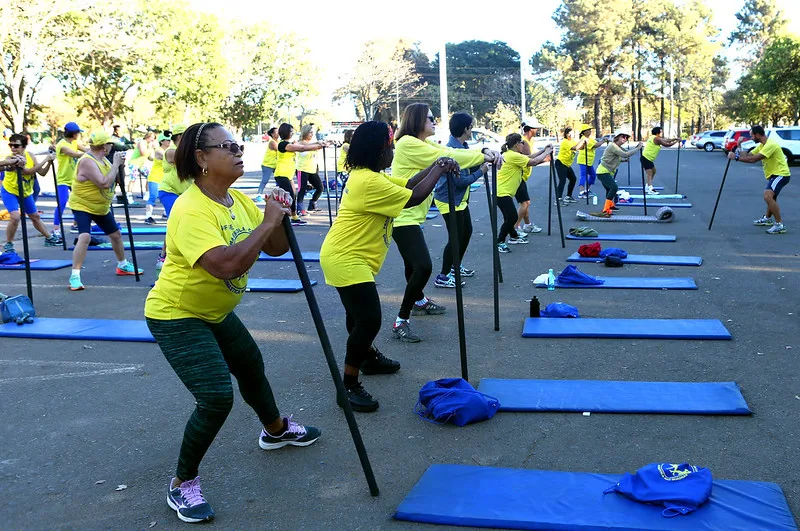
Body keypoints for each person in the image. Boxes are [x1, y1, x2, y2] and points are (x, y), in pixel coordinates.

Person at [145, 122, 320, 523]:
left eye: (239, 144)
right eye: (227, 146)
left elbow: (274, 248)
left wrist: (279, 214)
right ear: (201, 158)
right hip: (177, 314)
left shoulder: (237, 200)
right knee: (215, 397)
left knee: (250, 365)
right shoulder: (190, 209)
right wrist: (266, 222)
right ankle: (181, 484)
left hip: (216, 311)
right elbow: (227, 264)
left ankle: (275, 430)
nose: (239, 151)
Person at [320, 122, 455, 412]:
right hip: (346, 257)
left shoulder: (369, 176)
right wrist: (440, 168)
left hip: (351, 256)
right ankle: (348, 385)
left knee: (358, 317)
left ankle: (367, 358)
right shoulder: (369, 182)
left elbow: (409, 185)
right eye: (389, 146)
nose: (392, 151)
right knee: (368, 320)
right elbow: (416, 197)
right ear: (378, 150)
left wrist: (435, 165)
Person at [390, 103, 500, 343]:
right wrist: (484, 155)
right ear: (418, 121)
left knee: (413, 265)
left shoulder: (422, 143)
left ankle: (418, 300)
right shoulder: (408, 143)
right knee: (423, 267)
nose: (434, 122)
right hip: (402, 216)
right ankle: (401, 319)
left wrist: (482, 149)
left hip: (411, 215)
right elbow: (446, 156)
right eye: (430, 118)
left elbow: (452, 152)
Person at [67, 130, 142, 290]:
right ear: (104, 146)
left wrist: (120, 166)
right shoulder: (88, 161)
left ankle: (122, 265)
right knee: (85, 236)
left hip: (100, 207)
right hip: (83, 205)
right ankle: (75, 275)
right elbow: (104, 183)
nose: (111, 147)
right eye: (109, 144)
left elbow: (115, 179)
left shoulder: (104, 161)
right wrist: (115, 164)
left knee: (115, 235)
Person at [433, 112, 486, 288]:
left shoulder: (463, 147)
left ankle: (456, 265)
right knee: (455, 237)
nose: (472, 131)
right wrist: (481, 171)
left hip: (460, 199)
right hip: (448, 198)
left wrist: (486, 158)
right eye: (471, 127)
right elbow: (460, 181)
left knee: (466, 232)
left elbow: (472, 163)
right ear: (465, 129)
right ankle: (443, 275)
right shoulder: (452, 150)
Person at [2, 134, 60, 253]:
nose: (13, 148)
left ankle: (49, 238)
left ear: (23, 147)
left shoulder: (30, 156)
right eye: (11, 145)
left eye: (16, 146)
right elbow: (28, 171)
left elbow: (42, 172)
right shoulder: (10, 158)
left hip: (26, 191)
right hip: (10, 191)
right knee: (15, 217)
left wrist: (49, 162)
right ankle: (9, 244)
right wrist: (45, 159)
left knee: (35, 216)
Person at [496, 134, 552, 253]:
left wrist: (543, 150)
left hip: (503, 192)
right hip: (502, 193)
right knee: (512, 217)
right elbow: (533, 161)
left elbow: (529, 157)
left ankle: (514, 236)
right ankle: (499, 241)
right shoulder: (512, 155)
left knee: (509, 217)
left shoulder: (511, 154)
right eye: (522, 143)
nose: (523, 145)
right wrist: (547, 151)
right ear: (516, 144)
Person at [729, 125, 790, 234]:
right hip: (774, 175)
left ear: (757, 135)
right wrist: (739, 145)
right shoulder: (762, 145)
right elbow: (748, 155)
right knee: (771, 197)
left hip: (781, 174)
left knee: (768, 195)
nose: (751, 138)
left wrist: (736, 158)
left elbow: (753, 159)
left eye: (752, 135)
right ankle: (767, 219)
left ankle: (779, 224)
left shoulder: (770, 144)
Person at [273, 123, 327, 225]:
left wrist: (320, 143)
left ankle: (292, 217)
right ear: (286, 132)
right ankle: (290, 218)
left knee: (293, 195)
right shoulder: (283, 145)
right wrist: (319, 146)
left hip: (288, 175)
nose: (293, 132)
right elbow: (302, 148)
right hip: (282, 174)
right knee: (290, 197)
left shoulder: (289, 143)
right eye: (291, 131)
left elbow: (304, 145)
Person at [156, 124, 189, 270]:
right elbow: (186, 161)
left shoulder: (188, 151)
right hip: (169, 191)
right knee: (175, 221)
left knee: (184, 221)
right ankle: (164, 255)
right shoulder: (171, 151)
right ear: (179, 137)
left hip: (184, 193)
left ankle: (180, 250)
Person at [53, 122, 88, 238]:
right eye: (78, 133)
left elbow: (86, 150)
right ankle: (56, 228)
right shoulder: (62, 145)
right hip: (63, 179)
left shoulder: (74, 142)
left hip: (74, 178)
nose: (79, 135)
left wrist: (98, 150)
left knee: (79, 202)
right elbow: (76, 154)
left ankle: (75, 224)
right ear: (73, 134)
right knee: (62, 202)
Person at [596, 131, 643, 215]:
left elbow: (618, 157)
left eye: (626, 138)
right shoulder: (613, 146)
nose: (625, 139)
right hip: (602, 171)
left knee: (609, 189)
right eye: (623, 136)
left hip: (607, 171)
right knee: (614, 187)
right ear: (617, 137)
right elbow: (625, 154)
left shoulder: (617, 146)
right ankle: (606, 209)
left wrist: (624, 160)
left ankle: (610, 205)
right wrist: (638, 148)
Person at [515, 122, 542, 234]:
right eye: (536, 128)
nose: (537, 130)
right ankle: (515, 227)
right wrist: (545, 157)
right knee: (525, 203)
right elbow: (529, 161)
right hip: (517, 176)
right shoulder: (524, 142)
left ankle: (527, 224)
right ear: (531, 129)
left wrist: (544, 152)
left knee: (525, 202)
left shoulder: (529, 141)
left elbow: (531, 156)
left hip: (522, 176)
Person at [295, 124, 327, 215]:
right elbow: (310, 146)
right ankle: (300, 209)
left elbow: (317, 145)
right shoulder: (300, 143)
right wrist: (320, 144)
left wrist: (327, 142)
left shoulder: (313, 142)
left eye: (313, 132)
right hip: (302, 169)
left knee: (320, 188)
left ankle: (312, 204)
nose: (312, 134)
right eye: (310, 132)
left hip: (312, 169)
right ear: (305, 132)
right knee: (302, 189)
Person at [641, 126, 680, 194]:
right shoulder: (656, 139)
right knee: (649, 172)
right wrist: (676, 141)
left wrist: (675, 138)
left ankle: (647, 186)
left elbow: (666, 140)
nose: (662, 133)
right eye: (661, 131)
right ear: (657, 132)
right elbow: (667, 145)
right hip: (646, 157)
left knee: (654, 171)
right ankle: (650, 188)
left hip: (648, 158)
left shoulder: (655, 137)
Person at [575, 124, 608, 198]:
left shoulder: (590, 138)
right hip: (583, 160)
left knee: (593, 175)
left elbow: (596, 142)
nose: (590, 131)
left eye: (590, 130)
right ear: (583, 132)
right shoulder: (585, 139)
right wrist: (603, 141)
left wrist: (602, 140)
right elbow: (595, 145)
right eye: (588, 130)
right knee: (583, 175)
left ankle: (587, 190)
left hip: (589, 161)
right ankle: (581, 192)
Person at [144, 134, 171, 224]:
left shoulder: (168, 150)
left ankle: (165, 213)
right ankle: (148, 216)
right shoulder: (159, 151)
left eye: (170, 140)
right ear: (162, 141)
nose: (169, 141)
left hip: (163, 178)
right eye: (167, 140)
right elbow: (169, 158)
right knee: (153, 197)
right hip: (155, 177)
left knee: (166, 196)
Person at [554, 127, 579, 204]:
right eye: (569, 133)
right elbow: (575, 148)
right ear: (566, 134)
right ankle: (558, 199)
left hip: (567, 164)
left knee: (573, 179)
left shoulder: (572, 141)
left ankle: (568, 196)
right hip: (561, 163)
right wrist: (582, 141)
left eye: (572, 133)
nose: (570, 135)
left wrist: (584, 143)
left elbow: (579, 146)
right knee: (562, 181)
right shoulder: (565, 142)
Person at [255, 127, 278, 204]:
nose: (278, 133)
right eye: (276, 132)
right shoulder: (272, 142)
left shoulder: (278, 141)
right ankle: (258, 195)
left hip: (275, 165)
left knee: (281, 180)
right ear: (272, 134)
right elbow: (280, 149)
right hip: (268, 164)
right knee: (265, 181)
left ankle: (280, 195)